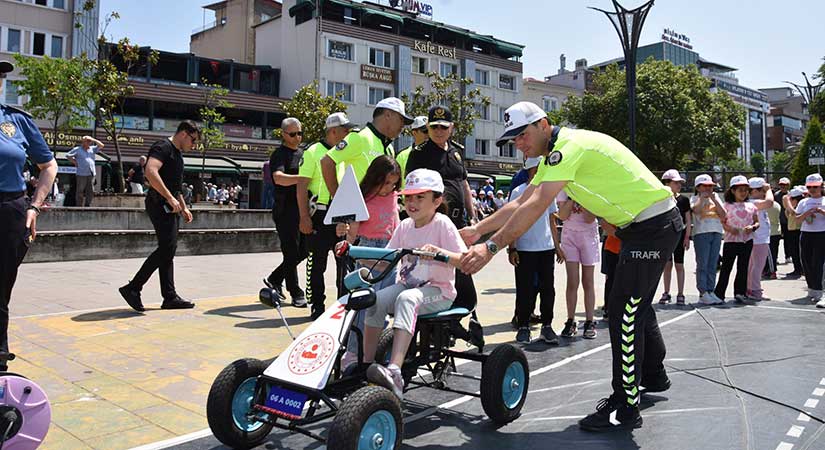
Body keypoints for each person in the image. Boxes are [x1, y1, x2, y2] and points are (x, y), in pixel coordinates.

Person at [460, 101, 682, 431]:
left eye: (522, 135)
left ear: (543, 124)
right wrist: (478, 229)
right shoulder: (556, 155)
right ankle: (653, 374)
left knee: (624, 310)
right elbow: (521, 201)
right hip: (644, 228)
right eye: (513, 139)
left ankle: (625, 404)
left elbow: (535, 206)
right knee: (636, 304)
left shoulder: (567, 149)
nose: (519, 144)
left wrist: (491, 246)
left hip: (652, 228)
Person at [359, 169, 467, 399]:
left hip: (440, 292)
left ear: (437, 200)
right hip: (409, 287)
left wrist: (440, 253)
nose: (412, 202)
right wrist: (352, 249)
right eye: (408, 197)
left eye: (420, 197)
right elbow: (385, 262)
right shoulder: (405, 225)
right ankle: (366, 366)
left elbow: (464, 260)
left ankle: (394, 371)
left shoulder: (442, 224)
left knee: (407, 299)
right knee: (375, 300)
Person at [0, 58, 58, 370]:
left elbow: (48, 165)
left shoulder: (16, 120)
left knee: (0, 289)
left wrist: (34, 206)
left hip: (10, 211)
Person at [119, 120, 199, 312]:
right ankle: (133, 287)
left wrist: (182, 205)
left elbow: (175, 184)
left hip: (170, 205)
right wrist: (170, 198)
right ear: (183, 134)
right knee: (167, 248)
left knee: (168, 250)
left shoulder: (177, 154)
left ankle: (169, 296)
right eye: (193, 140)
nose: (194, 145)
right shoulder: (163, 147)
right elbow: (151, 171)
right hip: (158, 204)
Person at [406, 106, 479, 313]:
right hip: (434, 223)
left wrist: (472, 216)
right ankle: (438, 320)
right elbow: (412, 190)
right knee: (435, 272)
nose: (439, 130)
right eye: (434, 126)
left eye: (443, 127)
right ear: (428, 128)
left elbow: (464, 184)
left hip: (459, 222)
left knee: (462, 269)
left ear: (451, 128)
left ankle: (459, 316)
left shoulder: (457, 152)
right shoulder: (419, 154)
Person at [336, 155, 402, 370]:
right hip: (367, 252)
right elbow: (352, 232)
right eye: (386, 183)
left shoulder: (393, 196)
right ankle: (354, 352)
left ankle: (374, 351)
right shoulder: (363, 198)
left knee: (382, 305)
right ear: (375, 178)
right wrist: (345, 239)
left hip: (390, 252)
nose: (389, 188)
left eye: (393, 184)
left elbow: (396, 223)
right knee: (364, 305)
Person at [296, 112, 357, 319]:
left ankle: (342, 303)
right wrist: (304, 217)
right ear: (333, 131)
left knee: (344, 263)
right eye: (345, 130)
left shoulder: (345, 152)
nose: (348, 134)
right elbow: (301, 186)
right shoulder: (314, 151)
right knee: (316, 264)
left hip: (340, 215)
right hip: (319, 216)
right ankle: (317, 306)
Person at [507, 157, 558, 344]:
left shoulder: (548, 192)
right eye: (539, 169)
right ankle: (523, 326)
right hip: (525, 248)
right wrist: (512, 248)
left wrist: (557, 247)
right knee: (525, 289)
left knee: (547, 289)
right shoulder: (518, 193)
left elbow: (552, 220)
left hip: (546, 247)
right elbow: (511, 221)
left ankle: (547, 326)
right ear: (532, 171)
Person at [320, 97, 412, 197]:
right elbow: (327, 161)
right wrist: (339, 198)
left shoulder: (389, 147)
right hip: (358, 209)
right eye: (401, 119)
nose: (403, 125)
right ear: (388, 115)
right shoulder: (359, 137)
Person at [264, 117, 308, 306]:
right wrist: (303, 179)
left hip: (303, 208)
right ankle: (295, 291)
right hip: (285, 209)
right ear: (283, 134)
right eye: (293, 134)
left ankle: (275, 278)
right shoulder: (279, 155)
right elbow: (279, 178)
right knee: (290, 251)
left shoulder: (304, 153)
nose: (297, 137)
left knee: (304, 249)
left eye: (300, 133)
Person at [552, 189, 599, 339]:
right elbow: (563, 215)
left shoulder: (589, 188)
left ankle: (589, 321)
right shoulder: (564, 190)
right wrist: (571, 196)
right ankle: (571, 320)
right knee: (572, 281)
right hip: (569, 236)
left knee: (588, 281)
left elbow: (589, 218)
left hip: (588, 235)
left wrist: (581, 195)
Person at [713, 176, 759, 304]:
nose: (743, 192)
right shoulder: (726, 205)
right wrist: (729, 229)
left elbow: (757, 222)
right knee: (726, 268)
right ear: (733, 191)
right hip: (730, 241)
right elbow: (722, 222)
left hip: (747, 241)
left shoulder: (751, 206)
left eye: (745, 190)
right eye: (740, 190)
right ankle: (719, 293)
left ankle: (740, 292)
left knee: (743, 267)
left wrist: (753, 227)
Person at [691, 174, 727, 305]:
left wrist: (715, 200)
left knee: (713, 264)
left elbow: (723, 214)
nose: (708, 188)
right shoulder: (694, 198)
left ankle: (711, 291)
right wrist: (702, 198)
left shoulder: (716, 197)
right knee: (703, 264)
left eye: (710, 186)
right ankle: (703, 292)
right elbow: (696, 210)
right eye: (705, 186)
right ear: (698, 187)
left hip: (716, 232)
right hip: (701, 233)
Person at [659, 170, 692, 306]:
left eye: (680, 182)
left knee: (679, 265)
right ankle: (666, 292)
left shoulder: (683, 200)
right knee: (667, 265)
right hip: (666, 237)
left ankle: (680, 293)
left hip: (679, 236)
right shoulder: (661, 199)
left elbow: (688, 220)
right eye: (675, 182)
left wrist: (687, 237)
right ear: (667, 183)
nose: (679, 185)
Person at [795, 173, 825, 306]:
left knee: (818, 262)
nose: (813, 189)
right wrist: (807, 213)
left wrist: (821, 211)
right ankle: (812, 288)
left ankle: (820, 290)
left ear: (821, 186)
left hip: (822, 234)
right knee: (806, 260)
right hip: (806, 233)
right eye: (810, 187)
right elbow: (797, 219)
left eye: (816, 187)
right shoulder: (803, 202)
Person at [745, 177, 775, 301]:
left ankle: (749, 288)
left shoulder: (752, 202)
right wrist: (769, 190)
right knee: (758, 265)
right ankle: (755, 290)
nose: (764, 192)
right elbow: (770, 202)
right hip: (759, 239)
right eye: (762, 190)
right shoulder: (754, 202)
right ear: (754, 191)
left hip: (758, 238)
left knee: (753, 265)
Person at [67, 135, 104, 207]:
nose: (89, 142)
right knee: (80, 190)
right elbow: (68, 155)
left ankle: (88, 205)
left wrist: (93, 139)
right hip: (81, 173)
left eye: (89, 141)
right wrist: (75, 162)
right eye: (87, 141)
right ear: (83, 142)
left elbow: (102, 145)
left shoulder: (92, 149)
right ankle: (79, 205)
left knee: (90, 191)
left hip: (91, 173)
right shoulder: (77, 149)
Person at [395, 115, 428, 186]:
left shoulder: (437, 153)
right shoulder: (402, 155)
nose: (429, 134)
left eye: (430, 131)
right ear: (414, 132)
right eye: (425, 131)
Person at [782, 186, 805, 278]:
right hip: (791, 230)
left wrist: (788, 202)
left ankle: (800, 270)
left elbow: (793, 212)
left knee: (797, 252)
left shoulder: (800, 205)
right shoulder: (791, 205)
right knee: (793, 251)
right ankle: (797, 269)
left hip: (797, 230)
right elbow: (788, 213)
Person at [764, 192, 782, 280]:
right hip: (777, 231)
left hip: (770, 232)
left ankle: (772, 271)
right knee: (773, 253)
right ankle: (769, 270)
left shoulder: (766, 206)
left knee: (770, 255)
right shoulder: (777, 205)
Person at [776, 177, 791, 263]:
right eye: (781, 185)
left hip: (788, 221)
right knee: (776, 240)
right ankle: (776, 258)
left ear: (788, 185)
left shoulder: (791, 195)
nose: (783, 186)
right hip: (778, 221)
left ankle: (788, 256)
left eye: (785, 185)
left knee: (788, 240)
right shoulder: (776, 195)